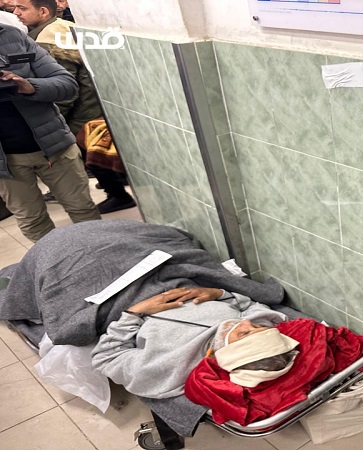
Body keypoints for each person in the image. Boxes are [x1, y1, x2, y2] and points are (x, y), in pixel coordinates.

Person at [16, 0, 136, 213]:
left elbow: (64, 90)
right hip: (96, 102)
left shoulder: (48, 39)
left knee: (90, 152)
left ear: (43, 11)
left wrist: (56, 118)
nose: (16, 13)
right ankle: (117, 183)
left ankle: (118, 194)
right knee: (100, 148)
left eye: (22, 8)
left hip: (83, 110)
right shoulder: (62, 26)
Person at [91, 287, 298, 399]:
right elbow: (247, 305)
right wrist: (219, 294)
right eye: (256, 326)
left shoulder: (168, 364)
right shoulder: (256, 323)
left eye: (244, 333)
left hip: (120, 296)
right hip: (178, 276)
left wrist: (134, 313)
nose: (245, 322)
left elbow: (106, 358)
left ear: (229, 353)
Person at [0, 22, 100, 242]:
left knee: (83, 210)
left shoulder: (12, 36)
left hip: (54, 146)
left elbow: (67, 84)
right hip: (6, 164)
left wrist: (29, 86)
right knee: (32, 221)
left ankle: (99, 258)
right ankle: (53, 262)